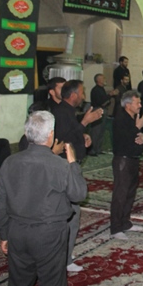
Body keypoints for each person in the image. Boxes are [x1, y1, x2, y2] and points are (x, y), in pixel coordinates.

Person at [0, 111, 88, 286]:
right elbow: (79, 194)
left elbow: (0, 205)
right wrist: (73, 164)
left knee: (18, 285)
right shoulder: (60, 165)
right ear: (51, 135)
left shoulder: (9, 162)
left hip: (17, 231)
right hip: (49, 234)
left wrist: (4, 234)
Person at [52, 79, 103, 272]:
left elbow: (72, 134)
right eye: (81, 93)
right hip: (65, 169)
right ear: (73, 95)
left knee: (72, 213)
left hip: (70, 166)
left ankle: (64, 255)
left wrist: (83, 135)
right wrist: (85, 123)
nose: (83, 96)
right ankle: (63, 259)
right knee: (71, 214)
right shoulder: (60, 112)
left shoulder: (68, 111)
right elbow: (62, 139)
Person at [110, 90, 143, 239]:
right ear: (128, 105)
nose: (140, 105)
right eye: (137, 103)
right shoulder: (121, 119)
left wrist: (142, 134)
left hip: (133, 159)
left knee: (130, 193)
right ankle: (115, 227)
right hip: (123, 160)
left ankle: (125, 222)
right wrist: (138, 128)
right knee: (121, 194)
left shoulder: (133, 119)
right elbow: (126, 139)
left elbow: (137, 138)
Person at [90, 73, 117, 156]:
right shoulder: (96, 90)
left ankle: (98, 149)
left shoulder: (102, 89)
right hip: (97, 110)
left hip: (103, 110)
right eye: (103, 78)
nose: (105, 80)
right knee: (96, 131)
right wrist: (110, 95)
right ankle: (93, 150)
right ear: (99, 80)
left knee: (101, 131)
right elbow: (101, 101)